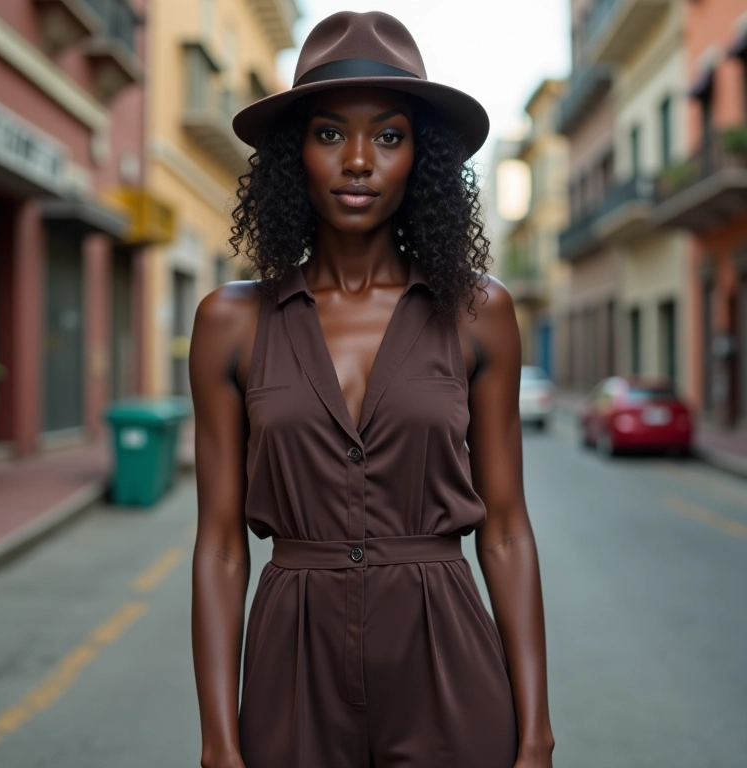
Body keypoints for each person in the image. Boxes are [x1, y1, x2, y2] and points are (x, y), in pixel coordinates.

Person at [189, 11, 554, 768]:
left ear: (421, 157)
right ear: (295, 156)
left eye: (389, 136)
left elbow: (509, 528)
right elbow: (222, 547)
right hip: (293, 664)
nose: (359, 160)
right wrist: (219, 742)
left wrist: (536, 733)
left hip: (445, 657)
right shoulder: (230, 322)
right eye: (329, 134)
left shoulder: (480, 314)